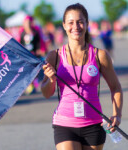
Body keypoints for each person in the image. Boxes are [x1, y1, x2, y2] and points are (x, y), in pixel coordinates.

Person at [41, 3, 123, 150]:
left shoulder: (100, 55)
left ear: (87, 24)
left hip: (94, 124)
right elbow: (46, 93)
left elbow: (115, 87)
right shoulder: (54, 56)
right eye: (71, 22)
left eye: (80, 22)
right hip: (64, 124)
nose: (76, 26)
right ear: (64, 25)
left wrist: (117, 115)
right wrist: (51, 79)